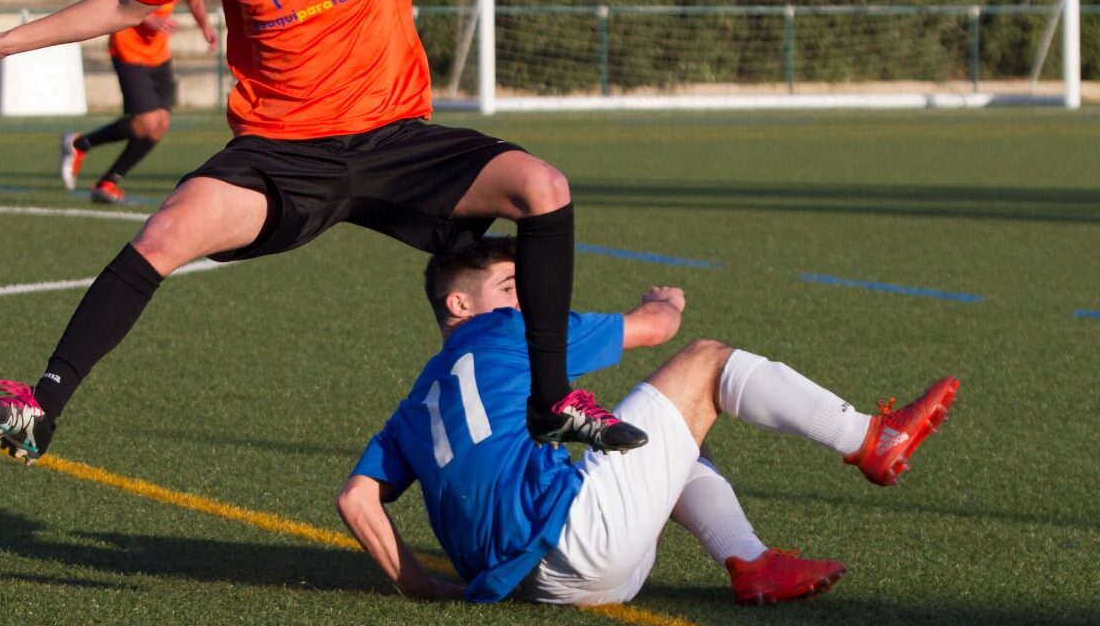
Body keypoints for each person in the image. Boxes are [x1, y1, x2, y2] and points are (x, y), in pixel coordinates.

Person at [0, 0, 698, 461]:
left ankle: (551, 400)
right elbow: (126, 3)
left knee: (544, 188)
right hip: (281, 151)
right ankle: (41, 408)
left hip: (392, 139)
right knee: (166, 232)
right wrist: (2, 42)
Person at [337, 238, 957, 605]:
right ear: (460, 304)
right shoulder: (507, 329)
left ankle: (751, 561)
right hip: (584, 541)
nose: (526, 298)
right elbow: (657, 330)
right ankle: (870, 438)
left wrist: (426, 589)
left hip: (532, 586)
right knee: (706, 362)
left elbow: (357, 501)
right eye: (510, 286)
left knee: (667, 436)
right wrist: (663, 303)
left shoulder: (413, 405)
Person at [60, 0, 218, 204]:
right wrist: (147, 18)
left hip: (158, 50)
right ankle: (80, 145)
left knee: (159, 125)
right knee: (146, 121)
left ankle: (106, 180)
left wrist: (205, 27)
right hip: (129, 43)